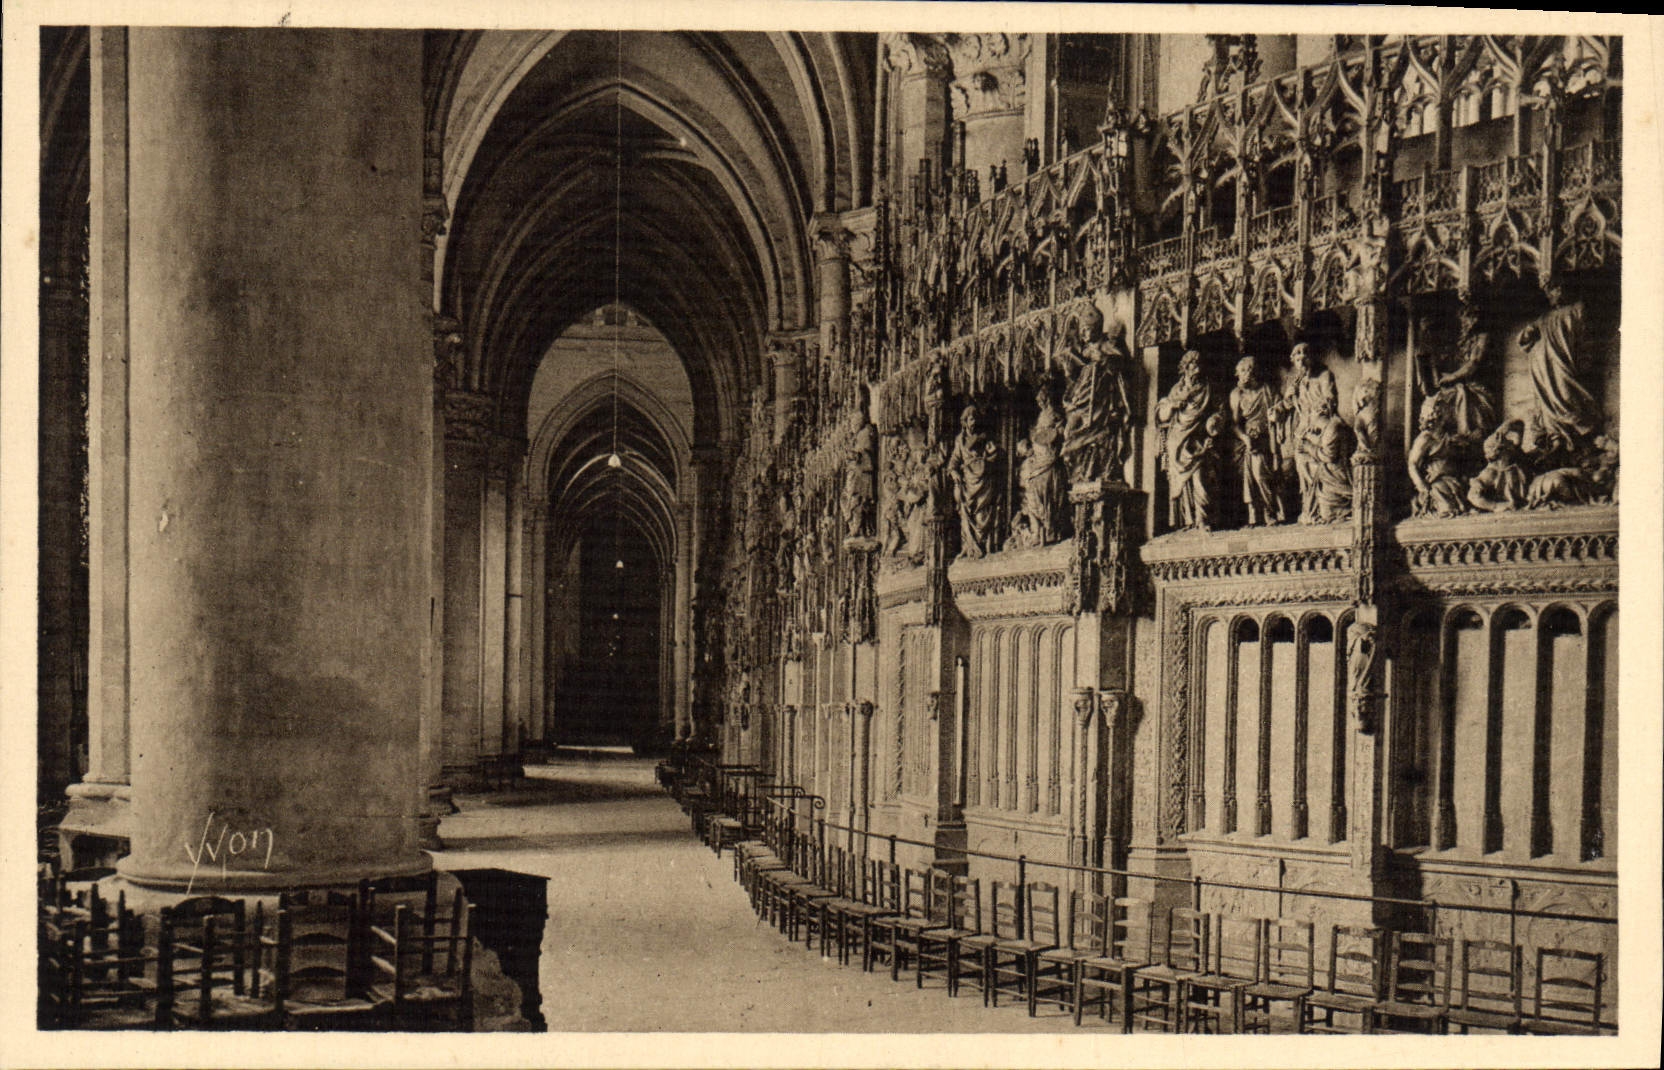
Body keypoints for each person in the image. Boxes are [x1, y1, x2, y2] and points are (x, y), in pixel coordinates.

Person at [1059, 315, 1134, 484]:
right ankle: (1079, 471)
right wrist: (1068, 372)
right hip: (1081, 400)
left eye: (1087, 329)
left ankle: (1094, 471)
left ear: (1097, 328)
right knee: (1069, 433)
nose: (1084, 334)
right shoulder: (1084, 351)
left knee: (1098, 437)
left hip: (1100, 402)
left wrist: (1104, 359)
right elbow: (1076, 382)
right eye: (1082, 330)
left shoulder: (1106, 346)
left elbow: (1121, 365)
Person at [1156, 350, 1223, 531]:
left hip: (1198, 438)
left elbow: (1220, 410)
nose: (1197, 368)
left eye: (1199, 364)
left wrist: (1214, 421)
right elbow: (1163, 415)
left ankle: (1202, 519)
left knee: (1199, 477)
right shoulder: (1177, 390)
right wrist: (1173, 405)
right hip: (1177, 439)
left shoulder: (1208, 387)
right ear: (1185, 368)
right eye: (1193, 364)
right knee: (1181, 482)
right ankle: (1188, 520)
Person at [1273, 342, 1338, 524]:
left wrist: (1322, 407)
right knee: (1304, 472)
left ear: (1311, 357)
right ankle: (1309, 509)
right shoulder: (1296, 381)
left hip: (1319, 429)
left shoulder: (1324, 375)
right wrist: (1280, 407)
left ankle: (1323, 509)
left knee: (1318, 468)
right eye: (1297, 354)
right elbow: (1287, 404)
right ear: (1293, 360)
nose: (1301, 357)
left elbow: (1330, 399)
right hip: (1302, 432)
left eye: (1305, 353)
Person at [1009, 388, 1068, 548]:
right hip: (1039, 457)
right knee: (1031, 489)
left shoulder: (1054, 413)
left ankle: (1049, 530)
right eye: (1038, 401)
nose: (1040, 402)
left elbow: (1063, 431)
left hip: (1049, 457)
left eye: (1042, 399)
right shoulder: (1042, 415)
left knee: (1043, 489)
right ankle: (1039, 530)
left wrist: (1052, 434)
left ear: (1047, 398)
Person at [1228, 356, 1283, 526]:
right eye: (1243, 370)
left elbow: (1279, 409)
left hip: (1268, 437)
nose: (1247, 373)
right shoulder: (1237, 394)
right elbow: (1234, 424)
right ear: (1238, 374)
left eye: (1250, 369)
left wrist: (1275, 415)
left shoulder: (1267, 390)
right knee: (1249, 473)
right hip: (1246, 440)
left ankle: (1269, 510)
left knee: (1260, 471)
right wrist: (1245, 438)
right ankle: (1254, 512)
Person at [947, 404, 1003, 557]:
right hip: (967, 481)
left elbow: (994, 454)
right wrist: (953, 473)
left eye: (975, 419)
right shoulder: (960, 440)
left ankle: (983, 546)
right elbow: (954, 460)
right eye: (970, 419)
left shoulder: (984, 437)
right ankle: (969, 546)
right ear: (964, 421)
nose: (973, 422)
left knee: (982, 514)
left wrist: (989, 456)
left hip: (983, 480)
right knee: (966, 512)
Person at [1407, 393, 1471, 518]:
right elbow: (1412, 464)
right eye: (1441, 413)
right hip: (1436, 483)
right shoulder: (1425, 438)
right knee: (1447, 509)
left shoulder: (1447, 436)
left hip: (1453, 479)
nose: (1445, 416)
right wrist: (1422, 487)